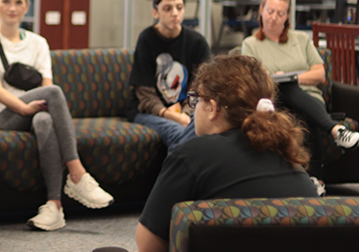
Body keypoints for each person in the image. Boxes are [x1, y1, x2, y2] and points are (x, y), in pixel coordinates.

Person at [135, 54, 319, 252]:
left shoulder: (191, 156)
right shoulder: (290, 159)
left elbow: (148, 245)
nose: (193, 109)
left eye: (196, 100)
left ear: (213, 109)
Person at [0, 0, 114, 231]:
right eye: (6, 1)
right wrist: (24, 108)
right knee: (54, 92)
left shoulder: (38, 43)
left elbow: (45, 85)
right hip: (1, 116)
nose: (12, 8)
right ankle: (77, 172)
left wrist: (34, 109)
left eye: (18, 2)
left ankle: (54, 206)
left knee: (44, 120)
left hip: (34, 111)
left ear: (27, 7)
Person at [241, 0, 359, 194]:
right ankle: (335, 133)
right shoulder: (250, 44)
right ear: (261, 11)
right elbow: (255, 78)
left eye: (280, 13)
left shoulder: (300, 39)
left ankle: (315, 180)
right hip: (275, 100)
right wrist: (282, 79)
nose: (274, 17)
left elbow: (320, 74)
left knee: (300, 104)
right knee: (286, 88)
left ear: (287, 16)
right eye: (270, 11)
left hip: (310, 98)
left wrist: (291, 77)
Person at [124, 0, 211, 150]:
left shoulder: (197, 42)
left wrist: (185, 113)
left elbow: (200, 88)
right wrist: (171, 115)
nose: (175, 13)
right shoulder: (146, 39)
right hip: (149, 112)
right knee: (178, 132)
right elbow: (145, 94)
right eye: (167, 8)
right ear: (155, 13)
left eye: (179, 7)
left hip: (187, 110)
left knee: (208, 130)